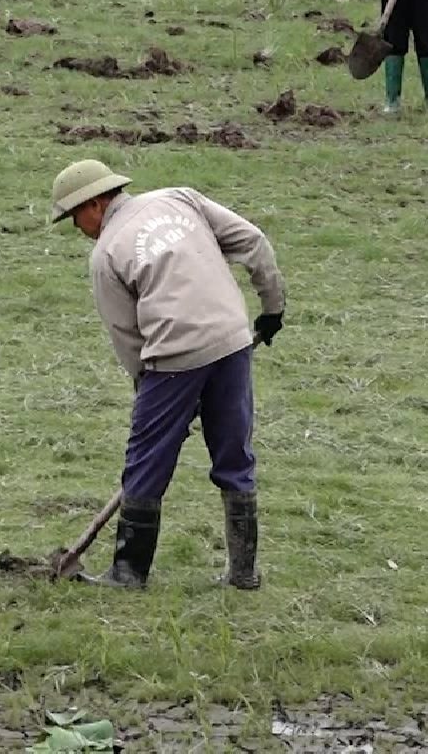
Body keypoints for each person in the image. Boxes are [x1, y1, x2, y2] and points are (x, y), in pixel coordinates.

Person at [48, 159, 287, 590]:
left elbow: (128, 338)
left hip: (173, 358)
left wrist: (152, 396)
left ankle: (128, 573)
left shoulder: (105, 256)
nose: (75, 227)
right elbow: (254, 242)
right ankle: (244, 573)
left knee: (145, 464)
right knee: (235, 457)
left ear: (96, 204)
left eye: (73, 217)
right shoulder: (180, 198)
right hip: (232, 341)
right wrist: (272, 310)